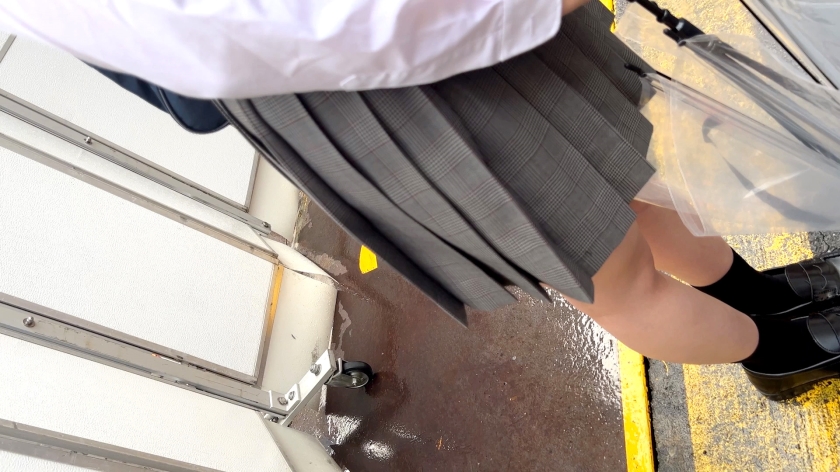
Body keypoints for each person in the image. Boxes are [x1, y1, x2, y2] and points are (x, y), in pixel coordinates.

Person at [3, 0, 840, 400]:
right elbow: (237, 33)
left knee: (617, 169)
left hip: (365, 33)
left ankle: (757, 298)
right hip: (345, 67)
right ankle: (777, 350)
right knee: (606, 263)